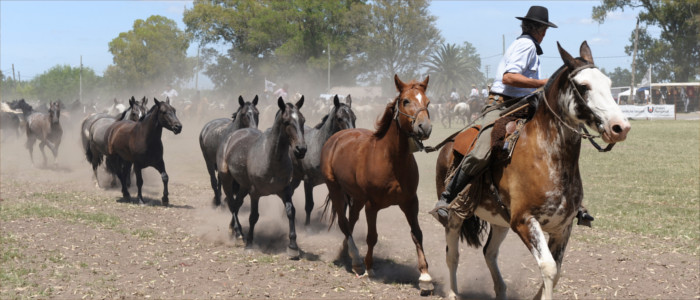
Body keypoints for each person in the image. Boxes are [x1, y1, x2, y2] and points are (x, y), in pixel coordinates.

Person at [432, 6, 593, 226]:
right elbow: (508, 78)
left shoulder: (532, 47)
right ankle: (447, 197)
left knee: (560, 142)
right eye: (544, 29)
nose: (544, 34)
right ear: (539, 30)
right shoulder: (526, 45)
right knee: (481, 149)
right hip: (504, 105)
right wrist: (541, 83)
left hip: (525, 105)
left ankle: (572, 202)